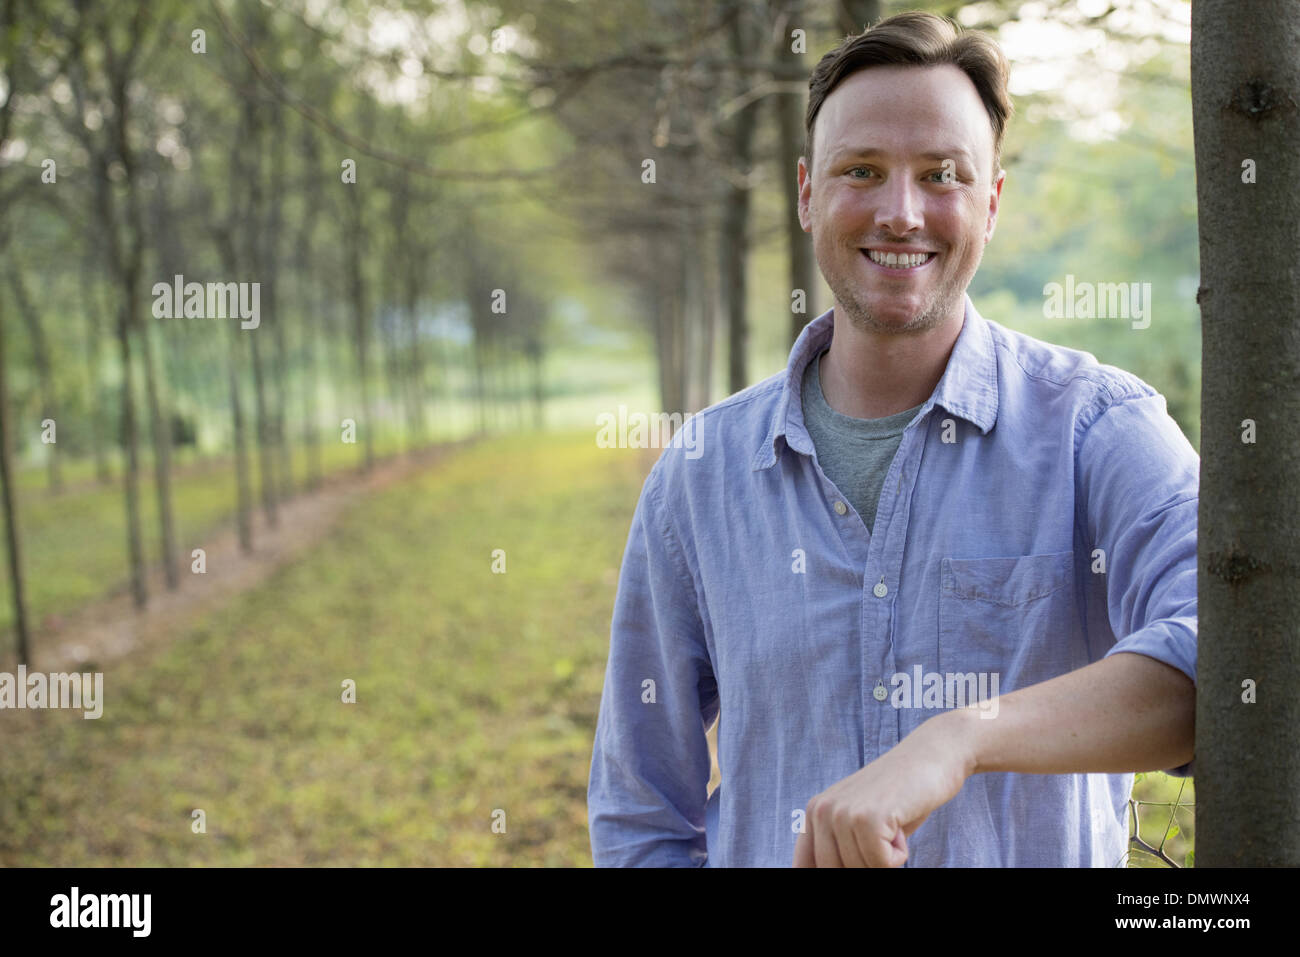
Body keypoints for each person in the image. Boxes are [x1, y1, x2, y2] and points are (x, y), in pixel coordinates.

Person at [586, 10, 1197, 867]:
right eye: (861, 171)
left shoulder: (1098, 430)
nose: (901, 212)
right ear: (807, 193)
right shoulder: (697, 475)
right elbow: (640, 814)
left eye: (942, 174)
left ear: (992, 199)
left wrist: (961, 738)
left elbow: (1235, 659)